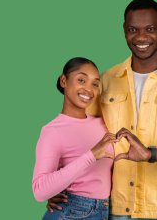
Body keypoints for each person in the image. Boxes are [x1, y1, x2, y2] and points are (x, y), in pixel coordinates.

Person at [48, 0, 157, 220]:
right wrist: (60, 184)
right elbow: (82, 133)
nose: (141, 37)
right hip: (118, 208)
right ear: (124, 31)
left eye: (149, 29)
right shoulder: (106, 80)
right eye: (132, 29)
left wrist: (151, 154)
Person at [32, 57, 116, 220]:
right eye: (81, 80)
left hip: (108, 211)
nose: (88, 89)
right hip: (72, 213)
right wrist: (91, 155)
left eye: (95, 84)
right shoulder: (52, 131)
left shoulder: (104, 123)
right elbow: (40, 190)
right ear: (64, 81)